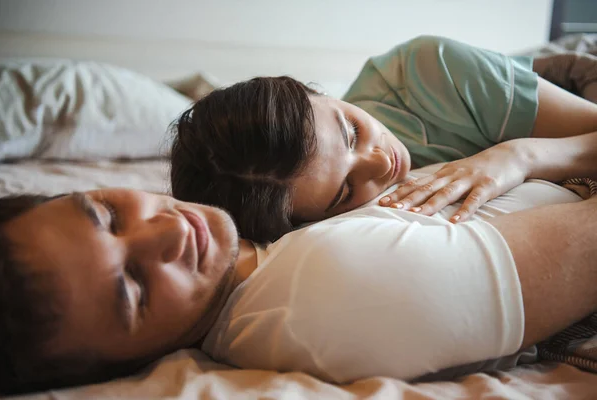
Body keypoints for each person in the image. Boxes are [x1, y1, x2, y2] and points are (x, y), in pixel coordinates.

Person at [0, 178, 597, 394]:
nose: (163, 234)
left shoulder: (270, 251)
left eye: (105, 213)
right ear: (121, 364)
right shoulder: (328, 294)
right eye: (133, 290)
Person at [169, 35, 597, 243]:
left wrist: (518, 156)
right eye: (344, 191)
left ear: (316, 92)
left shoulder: (431, 71)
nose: (381, 164)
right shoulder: (319, 231)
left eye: (351, 131)